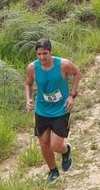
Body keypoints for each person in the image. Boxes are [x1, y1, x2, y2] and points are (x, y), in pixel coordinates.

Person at [25, 38, 81, 183]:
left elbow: (77, 73)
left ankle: (66, 150)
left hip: (61, 109)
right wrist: (28, 99)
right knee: (43, 143)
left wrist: (72, 95)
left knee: (55, 145)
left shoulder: (63, 65)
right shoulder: (32, 68)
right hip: (42, 110)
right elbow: (28, 84)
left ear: (51, 52)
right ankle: (53, 171)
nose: (42, 57)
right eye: (39, 54)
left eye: (45, 53)